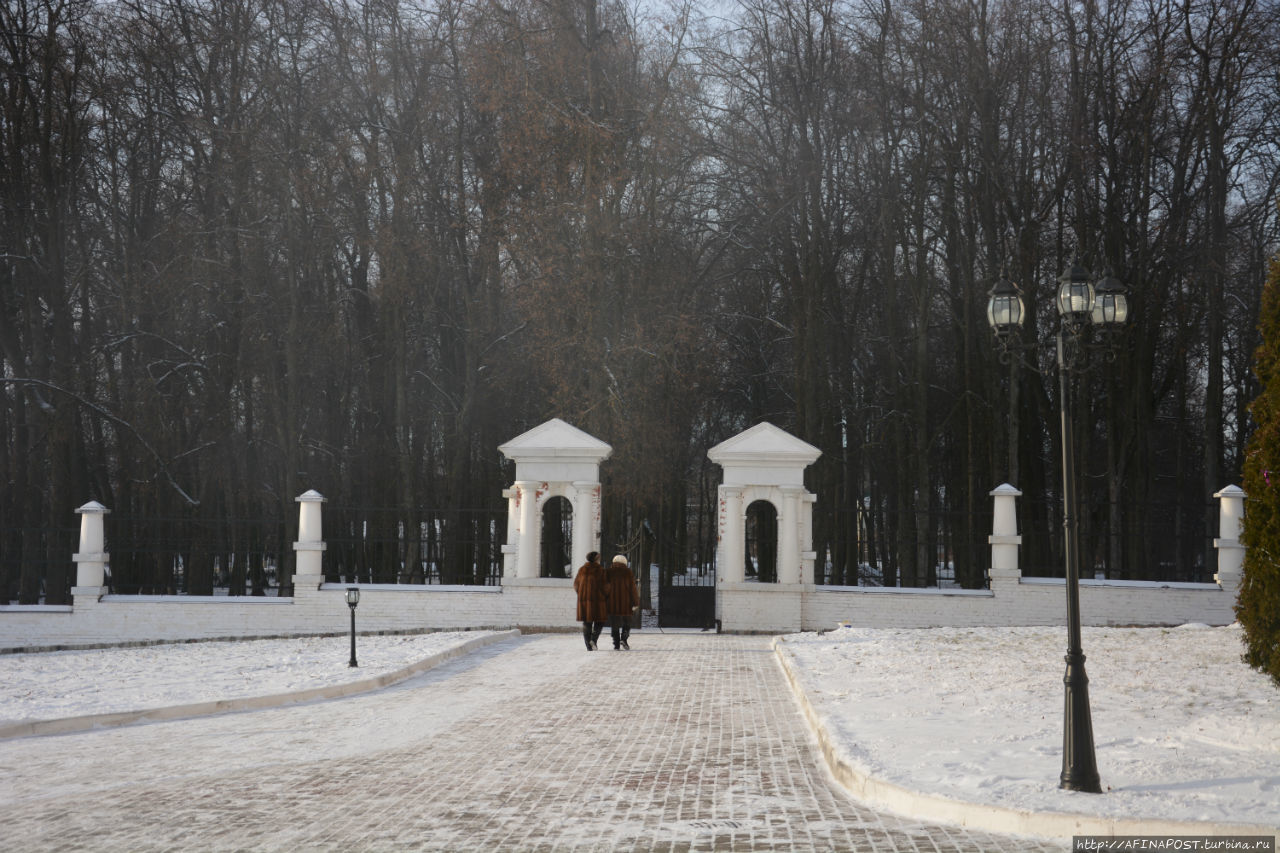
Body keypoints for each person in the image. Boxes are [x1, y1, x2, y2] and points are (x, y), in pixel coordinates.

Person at [603, 553, 639, 650]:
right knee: (627, 621)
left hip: (612, 602)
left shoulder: (608, 572)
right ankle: (624, 638)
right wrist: (635, 603)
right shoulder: (628, 572)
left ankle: (616, 644)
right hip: (626, 603)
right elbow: (633, 589)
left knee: (615, 623)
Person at [573, 551, 607, 650]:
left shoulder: (582, 570)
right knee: (599, 622)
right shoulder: (601, 570)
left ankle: (588, 645)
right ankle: (593, 639)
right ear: (596, 559)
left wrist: (582, 594)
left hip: (584, 602)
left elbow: (576, 585)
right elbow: (606, 587)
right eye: (598, 558)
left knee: (587, 623)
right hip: (598, 601)